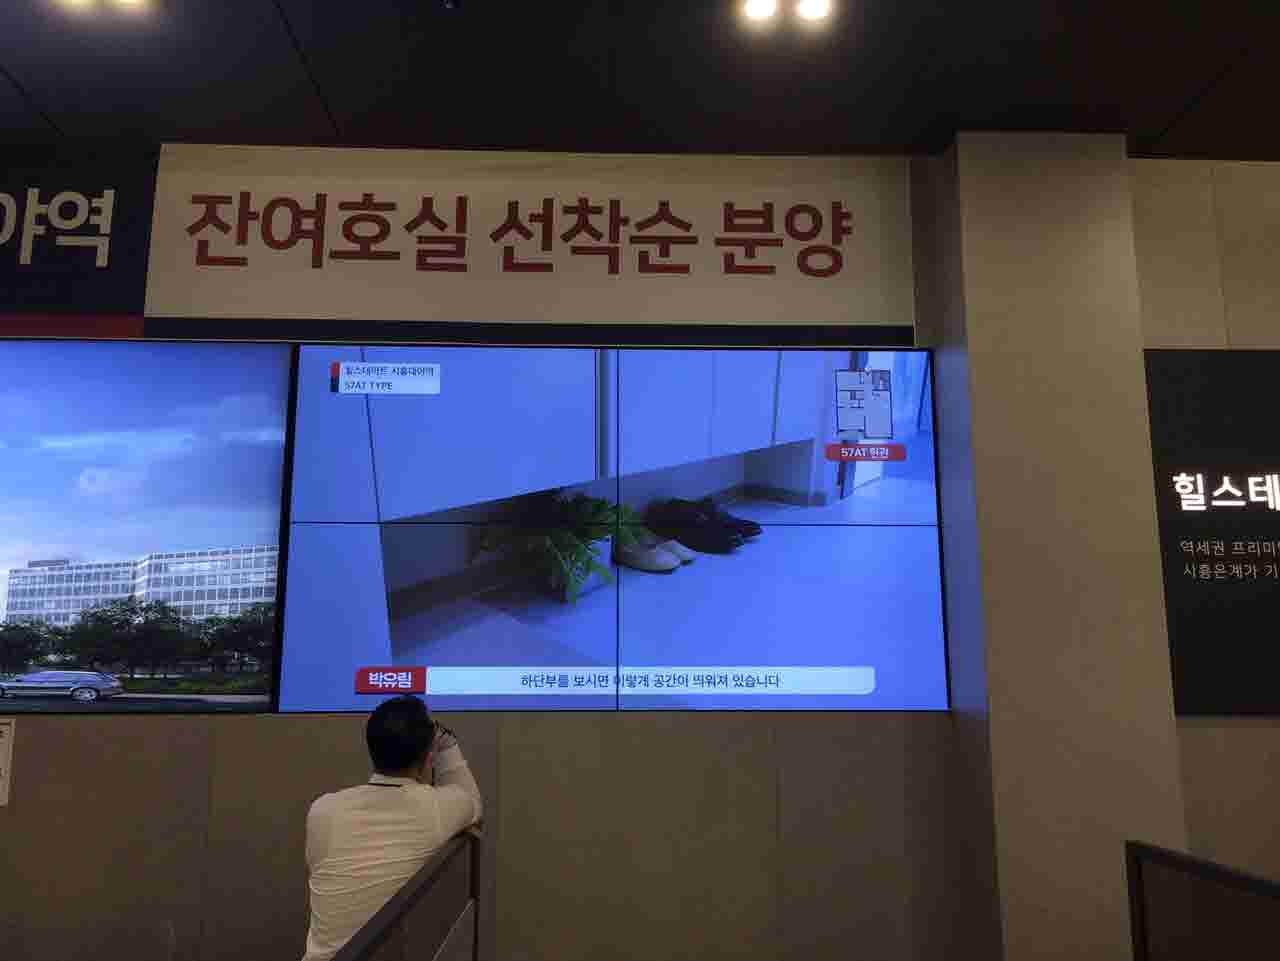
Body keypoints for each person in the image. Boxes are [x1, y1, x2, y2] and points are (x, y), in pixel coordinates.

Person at [301, 695, 483, 961]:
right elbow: (472, 802)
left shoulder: (322, 810)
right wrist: (448, 744)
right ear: (428, 757)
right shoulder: (435, 808)